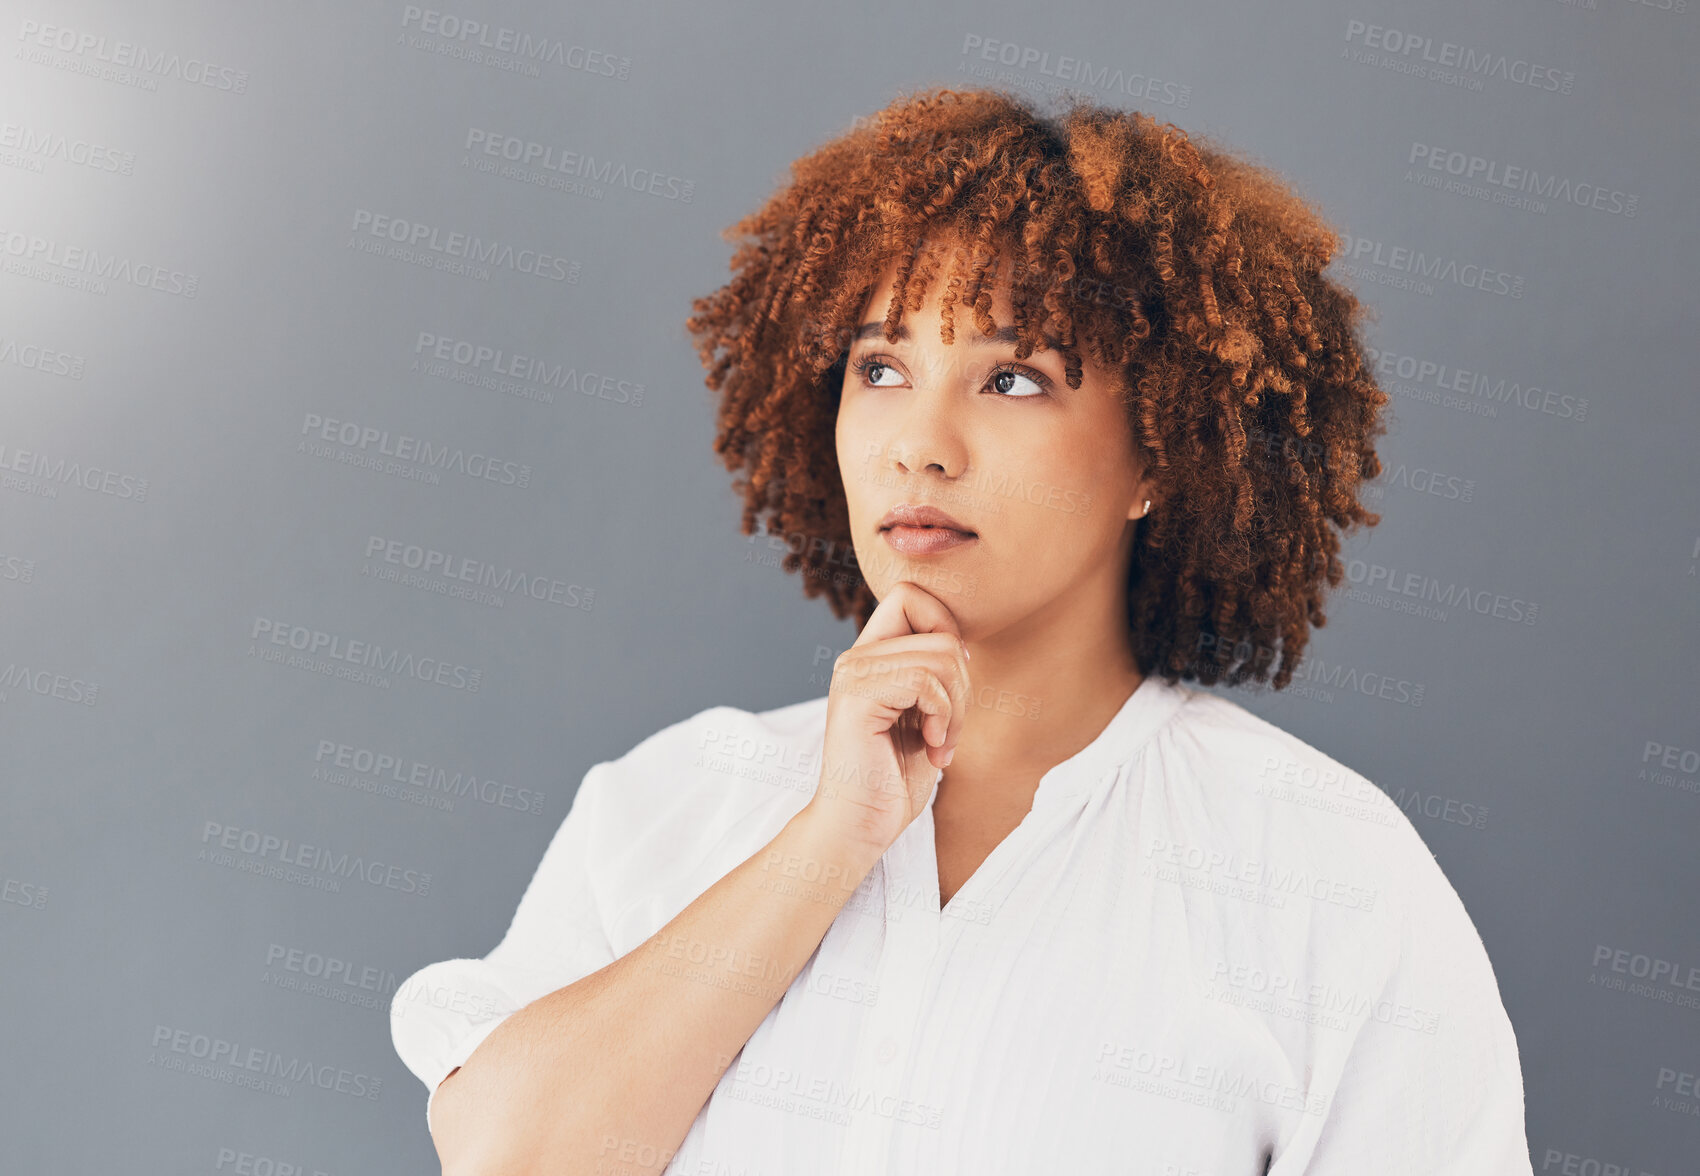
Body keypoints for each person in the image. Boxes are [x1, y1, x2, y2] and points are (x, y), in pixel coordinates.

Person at [391, 86, 1534, 1174]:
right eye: (881, 367)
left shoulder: (1325, 873)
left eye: (1014, 380)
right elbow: (510, 1157)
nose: (919, 444)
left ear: (1155, 455)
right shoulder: (671, 804)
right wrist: (829, 839)